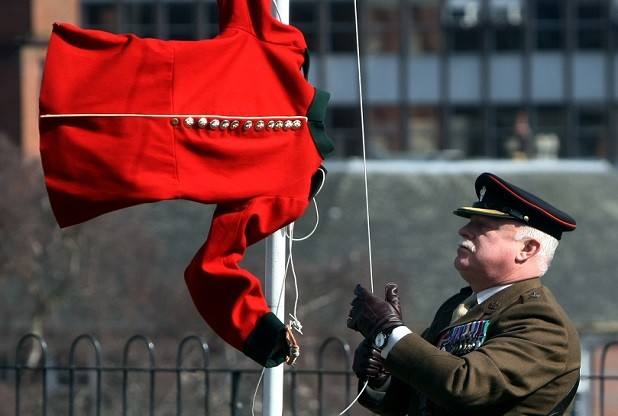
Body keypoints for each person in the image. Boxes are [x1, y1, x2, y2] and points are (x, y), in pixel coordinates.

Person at [347, 172, 581, 415]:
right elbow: (420, 400)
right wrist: (384, 373)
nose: (464, 231)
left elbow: (466, 387)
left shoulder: (541, 321)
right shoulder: (458, 306)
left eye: (482, 227)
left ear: (527, 248)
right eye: (470, 222)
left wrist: (391, 334)